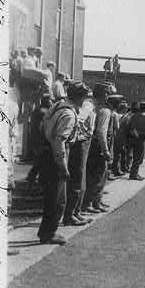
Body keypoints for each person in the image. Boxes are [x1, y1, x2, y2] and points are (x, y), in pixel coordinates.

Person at [37, 81, 90, 245]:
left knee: (51, 197)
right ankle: (49, 233)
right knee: (58, 199)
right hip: (57, 154)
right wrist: (63, 166)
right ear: (79, 97)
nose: (85, 100)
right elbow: (60, 141)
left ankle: (45, 231)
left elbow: (43, 124)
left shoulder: (58, 105)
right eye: (84, 97)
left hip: (46, 151)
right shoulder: (68, 114)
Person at [63, 83, 96, 226]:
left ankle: (75, 212)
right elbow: (79, 122)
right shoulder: (81, 107)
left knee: (80, 180)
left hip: (81, 142)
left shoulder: (81, 105)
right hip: (78, 143)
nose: (85, 100)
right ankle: (70, 214)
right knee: (77, 179)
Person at [81, 82, 115, 214]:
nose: (108, 96)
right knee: (96, 175)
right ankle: (89, 202)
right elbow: (101, 132)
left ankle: (96, 201)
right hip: (98, 146)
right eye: (106, 93)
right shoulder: (100, 110)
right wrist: (105, 150)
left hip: (95, 144)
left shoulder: (98, 108)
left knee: (101, 175)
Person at [26, 93, 53, 183]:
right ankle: (34, 176)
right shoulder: (45, 112)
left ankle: (34, 176)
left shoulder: (36, 111)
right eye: (50, 100)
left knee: (39, 159)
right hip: (41, 139)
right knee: (41, 159)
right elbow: (42, 127)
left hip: (34, 137)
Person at [126, 102, 145, 181]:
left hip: (133, 137)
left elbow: (129, 125)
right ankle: (134, 174)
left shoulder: (133, 116)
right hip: (141, 138)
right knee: (139, 157)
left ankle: (133, 172)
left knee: (134, 156)